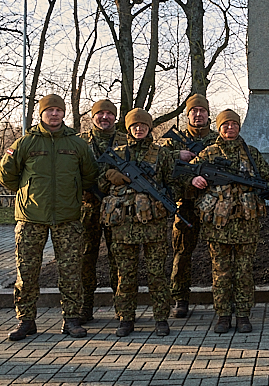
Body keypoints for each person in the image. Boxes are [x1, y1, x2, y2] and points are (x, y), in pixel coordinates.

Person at [0, 94, 98, 341]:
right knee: (27, 271)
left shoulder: (76, 144)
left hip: (68, 217)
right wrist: (27, 192)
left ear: (63, 113)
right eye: (49, 110)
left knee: (70, 270)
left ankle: (72, 320)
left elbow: (89, 175)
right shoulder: (26, 142)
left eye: (58, 110)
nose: (54, 114)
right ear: (41, 114)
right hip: (30, 217)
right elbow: (6, 173)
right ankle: (26, 321)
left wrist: (75, 193)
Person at [190, 109, 269, 333]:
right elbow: (185, 179)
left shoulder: (251, 154)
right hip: (218, 226)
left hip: (246, 225)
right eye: (225, 125)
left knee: (244, 271)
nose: (230, 128)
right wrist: (194, 179)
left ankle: (244, 314)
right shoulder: (208, 154)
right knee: (221, 272)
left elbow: (266, 178)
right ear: (218, 127)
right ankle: (223, 315)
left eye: (234, 124)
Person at [98, 108, 175, 337]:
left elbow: (172, 182)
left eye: (143, 125)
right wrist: (112, 177)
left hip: (154, 225)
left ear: (150, 128)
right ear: (128, 128)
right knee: (125, 274)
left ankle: (161, 318)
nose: (139, 129)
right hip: (123, 226)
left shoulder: (161, 154)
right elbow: (100, 184)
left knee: (157, 274)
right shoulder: (117, 154)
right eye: (134, 126)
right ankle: (125, 318)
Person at [162, 94, 218, 319]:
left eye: (202, 110)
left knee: (218, 253)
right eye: (193, 111)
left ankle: (221, 298)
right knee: (182, 252)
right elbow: (160, 165)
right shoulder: (174, 141)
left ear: (208, 114)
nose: (198, 114)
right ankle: (180, 298)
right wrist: (178, 155)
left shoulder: (217, 139)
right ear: (187, 114)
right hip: (184, 204)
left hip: (214, 205)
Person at [79, 99, 127, 323]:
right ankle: (84, 307)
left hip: (116, 209)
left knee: (118, 256)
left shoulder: (126, 142)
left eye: (109, 114)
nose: (105, 117)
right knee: (85, 257)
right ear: (93, 116)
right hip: (87, 209)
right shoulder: (79, 143)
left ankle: (122, 307)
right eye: (100, 114)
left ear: (115, 118)